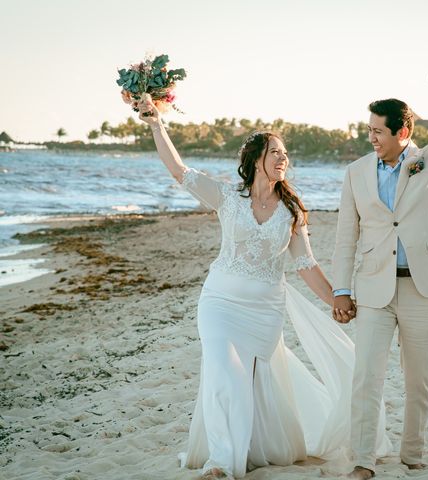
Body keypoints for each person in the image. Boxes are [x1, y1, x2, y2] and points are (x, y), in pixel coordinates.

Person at [131, 94, 391, 479]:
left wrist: (339, 299)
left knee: (248, 384)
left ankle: (245, 449)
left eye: (286, 153)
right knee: (223, 371)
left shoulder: (292, 211)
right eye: (276, 152)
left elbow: (305, 265)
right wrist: (156, 123)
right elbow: (178, 170)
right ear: (256, 159)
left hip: (264, 312)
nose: (284, 158)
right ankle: (221, 463)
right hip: (219, 302)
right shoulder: (225, 197)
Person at [331, 71, 428, 479]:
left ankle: (412, 455)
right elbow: (346, 237)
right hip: (374, 287)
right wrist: (341, 291)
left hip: (422, 286)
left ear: (404, 131)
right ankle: (363, 461)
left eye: (379, 131)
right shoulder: (356, 172)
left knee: (419, 377)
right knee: (366, 377)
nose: (372, 138)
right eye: (369, 131)